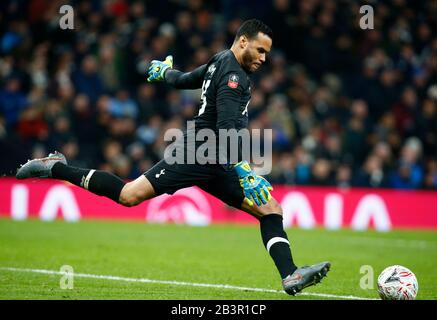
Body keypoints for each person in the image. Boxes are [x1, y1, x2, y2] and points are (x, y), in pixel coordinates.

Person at [16, 19, 330, 295]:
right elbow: (226, 128)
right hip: (196, 153)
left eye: (267, 54)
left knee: (270, 210)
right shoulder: (235, 77)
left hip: (216, 159)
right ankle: (57, 167)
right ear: (244, 41)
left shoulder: (220, 60)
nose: (264, 59)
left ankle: (290, 274)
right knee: (128, 195)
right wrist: (245, 171)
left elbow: (185, 80)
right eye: (260, 51)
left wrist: (165, 72)